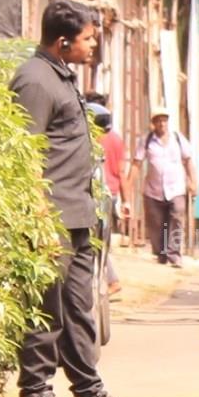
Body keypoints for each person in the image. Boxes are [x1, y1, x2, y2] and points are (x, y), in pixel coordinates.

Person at [10, 0, 144, 397]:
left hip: (79, 216)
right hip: (51, 219)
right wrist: (38, 218)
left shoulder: (61, 76)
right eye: (88, 38)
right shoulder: (34, 80)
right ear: (63, 41)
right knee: (44, 312)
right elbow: (23, 155)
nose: (94, 45)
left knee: (78, 312)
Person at [127, 107, 198, 268]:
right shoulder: (146, 140)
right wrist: (128, 186)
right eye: (158, 121)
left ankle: (174, 255)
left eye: (164, 120)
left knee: (177, 218)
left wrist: (193, 182)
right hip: (153, 190)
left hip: (176, 188)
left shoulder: (177, 139)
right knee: (156, 224)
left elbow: (188, 161)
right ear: (153, 123)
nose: (162, 124)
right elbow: (137, 164)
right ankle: (161, 253)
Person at [85, 93, 126, 296]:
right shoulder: (115, 137)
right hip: (109, 192)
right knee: (98, 241)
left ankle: (111, 280)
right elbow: (122, 170)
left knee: (94, 241)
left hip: (100, 193)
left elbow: (120, 169)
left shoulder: (93, 137)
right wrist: (126, 200)